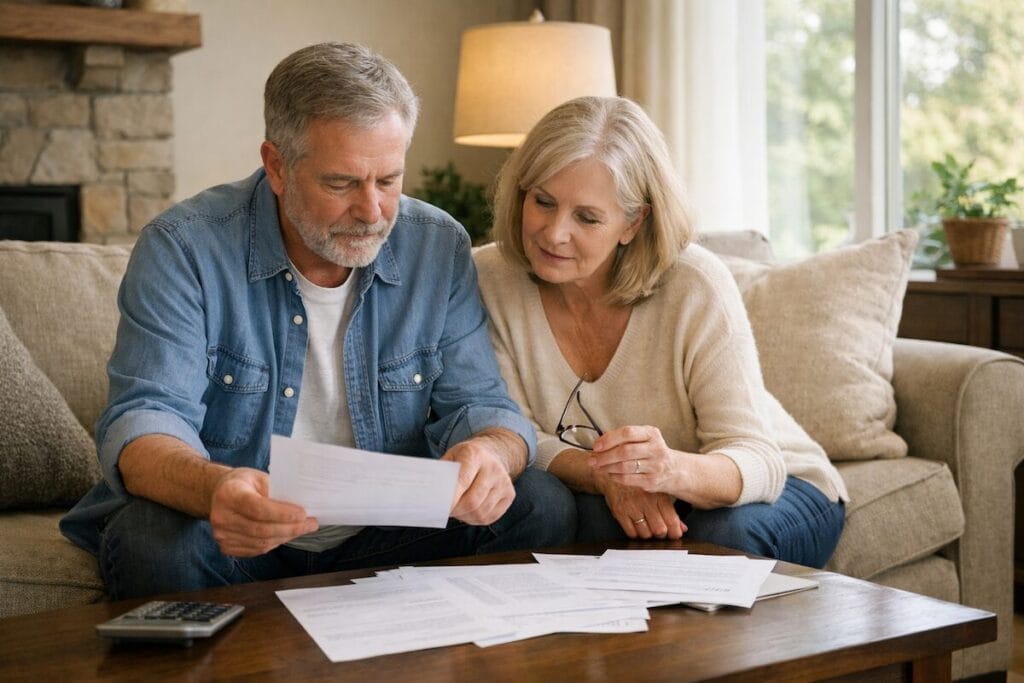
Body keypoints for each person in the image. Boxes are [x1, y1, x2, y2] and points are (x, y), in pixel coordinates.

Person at [60, 42, 575, 599]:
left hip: (386, 534)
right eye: (341, 183)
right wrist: (217, 489)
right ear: (277, 166)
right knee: (152, 540)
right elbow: (145, 420)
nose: (373, 211)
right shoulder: (184, 247)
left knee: (540, 504)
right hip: (239, 539)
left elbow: (483, 406)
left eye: (389, 180)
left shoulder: (437, 244)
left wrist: (490, 453)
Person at [474, 96, 848, 568]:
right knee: (562, 511)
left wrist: (667, 470)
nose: (553, 233)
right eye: (542, 202)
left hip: (772, 482)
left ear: (633, 222)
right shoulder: (489, 276)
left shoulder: (695, 283)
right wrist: (611, 475)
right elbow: (516, 430)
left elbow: (758, 459)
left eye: (587, 218)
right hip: (626, 489)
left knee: (717, 540)